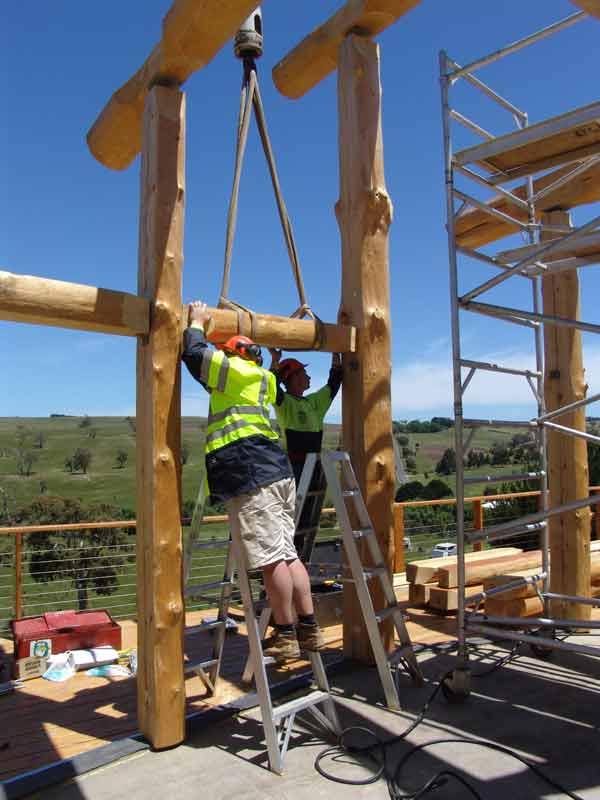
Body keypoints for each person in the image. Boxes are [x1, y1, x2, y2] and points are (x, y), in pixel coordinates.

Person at [182, 301, 324, 662]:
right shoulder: (265, 379)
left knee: (271, 559)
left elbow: (195, 353)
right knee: (288, 553)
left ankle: (286, 634)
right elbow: (274, 384)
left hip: (250, 470)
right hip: (276, 469)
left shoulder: (233, 371)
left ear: (233, 353)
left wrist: (196, 322)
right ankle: (309, 627)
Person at [269, 350, 343, 557]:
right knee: (294, 517)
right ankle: (286, 559)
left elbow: (333, 384)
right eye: (303, 373)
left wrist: (335, 355)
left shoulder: (313, 403)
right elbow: (271, 387)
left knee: (309, 518)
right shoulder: (285, 404)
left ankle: (299, 560)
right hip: (296, 467)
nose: (309, 377)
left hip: (315, 466)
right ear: (291, 378)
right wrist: (275, 362)